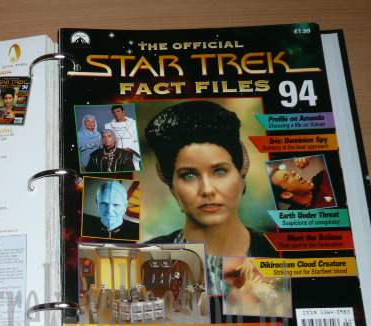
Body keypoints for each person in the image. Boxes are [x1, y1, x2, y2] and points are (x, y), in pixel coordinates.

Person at [144, 101, 277, 295]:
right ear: (172, 187)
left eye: (220, 171)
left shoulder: (279, 253)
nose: (207, 190)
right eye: (189, 175)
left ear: (241, 174)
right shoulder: (147, 260)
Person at [269, 157, 336, 209]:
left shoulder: (323, 178)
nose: (293, 172)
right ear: (287, 194)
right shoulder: (295, 218)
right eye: (287, 178)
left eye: (289, 172)